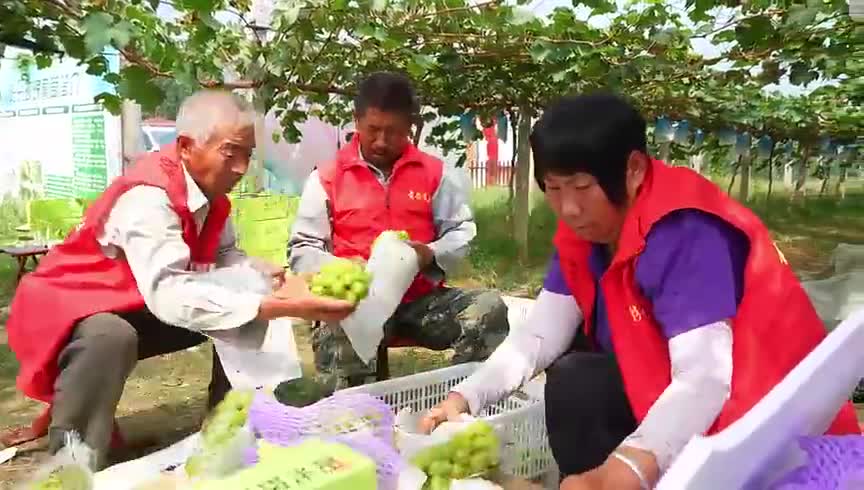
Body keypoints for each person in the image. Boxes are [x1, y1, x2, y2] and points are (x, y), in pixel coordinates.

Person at [421, 93, 861, 489]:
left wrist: (629, 469)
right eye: (553, 189)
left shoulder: (685, 230)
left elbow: (705, 378)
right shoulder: (586, 229)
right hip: (672, 394)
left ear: (632, 170)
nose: (568, 208)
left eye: (581, 188)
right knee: (577, 380)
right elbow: (541, 332)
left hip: (760, 424)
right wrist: (466, 397)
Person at [5, 90, 355, 469]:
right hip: (68, 310)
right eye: (230, 152)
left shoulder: (213, 196)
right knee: (110, 336)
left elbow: (225, 258)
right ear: (187, 146)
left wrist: (265, 277)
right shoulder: (148, 199)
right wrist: (271, 305)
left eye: (248, 154)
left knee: (247, 300)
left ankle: (230, 426)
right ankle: (73, 461)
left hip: (132, 300)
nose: (241, 167)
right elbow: (169, 292)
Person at [288, 72, 510, 393]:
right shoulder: (327, 177)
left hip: (420, 302)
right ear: (357, 122)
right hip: (356, 304)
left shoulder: (435, 174)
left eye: (392, 132)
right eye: (372, 130)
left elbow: (461, 232)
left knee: (488, 308)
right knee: (340, 336)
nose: (381, 141)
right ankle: (358, 420)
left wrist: (429, 253)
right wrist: (341, 269)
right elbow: (302, 248)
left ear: (410, 127)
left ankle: (459, 405)